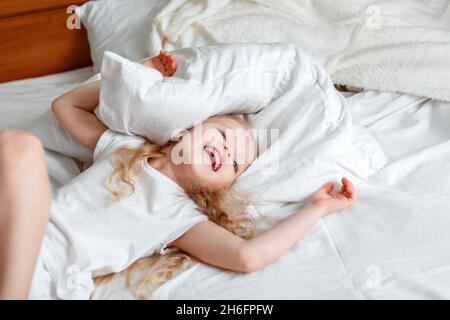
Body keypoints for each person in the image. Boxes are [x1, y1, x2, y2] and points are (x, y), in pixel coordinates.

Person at [0, 50, 355, 299]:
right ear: (185, 131)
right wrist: (143, 71)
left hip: (41, 273)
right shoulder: (124, 150)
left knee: (21, 151)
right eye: (223, 136)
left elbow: (249, 257)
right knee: (15, 151)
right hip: (11, 239)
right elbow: (65, 106)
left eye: (235, 164)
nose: (228, 152)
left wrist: (317, 209)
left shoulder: (181, 217)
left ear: (224, 185)